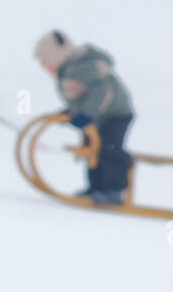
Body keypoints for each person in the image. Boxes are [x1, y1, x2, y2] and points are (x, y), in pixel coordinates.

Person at [34, 30, 134, 205]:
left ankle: (114, 191)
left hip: (115, 114)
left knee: (108, 148)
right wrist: (71, 113)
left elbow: (101, 92)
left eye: (46, 61)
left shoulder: (82, 68)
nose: (44, 66)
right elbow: (80, 96)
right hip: (97, 117)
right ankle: (96, 187)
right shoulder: (68, 70)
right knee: (92, 150)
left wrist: (86, 114)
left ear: (57, 57)